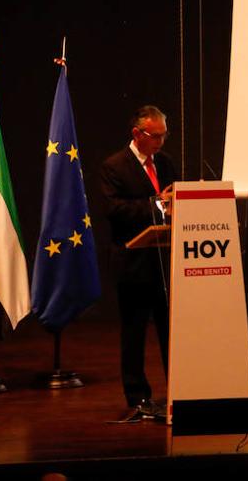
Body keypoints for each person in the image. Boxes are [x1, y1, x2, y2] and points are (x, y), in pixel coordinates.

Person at [97, 105, 175, 416]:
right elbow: (115, 210)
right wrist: (157, 205)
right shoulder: (114, 166)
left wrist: (173, 202)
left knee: (172, 332)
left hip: (165, 262)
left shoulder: (166, 163)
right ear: (136, 134)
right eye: (154, 136)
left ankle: (178, 391)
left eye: (163, 135)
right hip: (133, 263)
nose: (160, 142)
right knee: (134, 333)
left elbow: (173, 198)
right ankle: (138, 397)